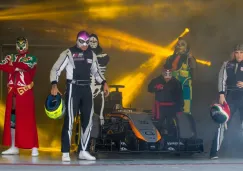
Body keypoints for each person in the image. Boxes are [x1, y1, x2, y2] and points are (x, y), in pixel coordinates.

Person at [50, 30, 109, 162]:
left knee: (87, 120)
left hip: (87, 88)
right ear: (77, 40)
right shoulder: (68, 52)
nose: (85, 45)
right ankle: (65, 151)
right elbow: (56, 69)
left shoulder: (91, 54)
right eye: (82, 42)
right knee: (70, 119)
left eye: (87, 42)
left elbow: (96, 72)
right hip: (73, 87)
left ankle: (84, 150)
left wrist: (104, 83)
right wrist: (54, 84)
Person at [0, 37, 39, 156]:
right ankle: (13, 147)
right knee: (12, 119)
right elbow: (2, 65)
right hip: (12, 93)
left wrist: (13, 66)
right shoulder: (10, 56)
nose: (21, 47)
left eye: (23, 44)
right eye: (19, 44)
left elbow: (26, 66)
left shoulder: (32, 58)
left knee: (28, 119)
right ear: (16, 45)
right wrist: (15, 67)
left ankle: (34, 147)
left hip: (25, 93)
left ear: (27, 45)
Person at [210, 44, 243, 159]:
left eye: (241, 52)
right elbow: (221, 79)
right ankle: (214, 152)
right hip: (230, 97)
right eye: (237, 52)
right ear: (233, 53)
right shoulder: (227, 64)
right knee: (222, 123)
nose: (239, 55)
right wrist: (222, 94)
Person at [164, 37, 197, 138]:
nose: (179, 46)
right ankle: (169, 133)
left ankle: (192, 134)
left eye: (182, 44)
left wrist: (191, 59)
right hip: (172, 90)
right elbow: (166, 74)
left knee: (187, 112)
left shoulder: (189, 59)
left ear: (187, 47)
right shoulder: (170, 58)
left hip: (185, 89)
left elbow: (194, 72)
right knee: (169, 111)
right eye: (178, 44)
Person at [148, 67, 184, 137]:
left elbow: (180, 96)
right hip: (159, 108)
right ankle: (156, 141)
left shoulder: (176, 82)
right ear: (163, 71)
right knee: (158, 125)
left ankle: (170, 141)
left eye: (169, 71)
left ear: (171, 72)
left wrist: (180, 108)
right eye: (165, 71)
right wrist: (156, 87)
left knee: (171, 125)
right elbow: (149, 88)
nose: (167, 73)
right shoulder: (157, 80)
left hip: (171, 108)